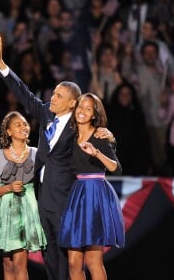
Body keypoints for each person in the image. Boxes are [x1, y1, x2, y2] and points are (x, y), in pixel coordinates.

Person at [0, 34, 117, 280]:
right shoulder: (46, 114)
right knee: (49, 252)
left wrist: (109, 135)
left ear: (72, 104)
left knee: (67, 257)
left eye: (59, 96)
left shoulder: (78, 125)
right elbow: (25, 94)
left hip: (66, 198)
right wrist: (2, 65)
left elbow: (96, 133)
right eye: (54, 93)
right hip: (42, 195)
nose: (53, 97)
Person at [59, 93, 125, 280]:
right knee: (73, 262)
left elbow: (115, 168)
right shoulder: (70, 135)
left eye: (88, 108)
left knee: (94, 261)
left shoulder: (100, 135)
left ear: (94, 114)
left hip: (96, 195)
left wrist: (96, 153)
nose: (83, 111)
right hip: (77, 195)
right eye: (81, 107)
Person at [0, 111, 47, 279]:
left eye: (25, 124)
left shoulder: (36, 153)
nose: (23, 127)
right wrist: (9, 188)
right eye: (18, 124)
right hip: (4, 212)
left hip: (26, 211)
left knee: (20, 262)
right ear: (9, 131)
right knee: (8, 264)